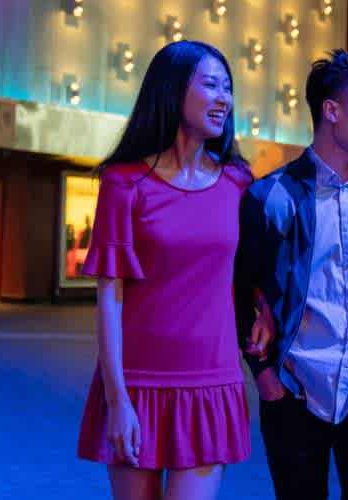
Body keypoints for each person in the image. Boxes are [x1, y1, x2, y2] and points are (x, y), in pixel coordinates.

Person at [233, 48, 348, 500]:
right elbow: (241, 291)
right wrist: (265, 375)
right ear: (331, 110)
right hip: (293, 389)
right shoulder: (271, 196)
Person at [76, 41, 253, 500]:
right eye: (211, 85)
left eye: (228, 88)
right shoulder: (124, 182)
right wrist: (117, 401)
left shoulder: (237, 182)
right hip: (137, 383)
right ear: (173, 91)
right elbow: (110, 298)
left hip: (211, 380)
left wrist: (266, 311)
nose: (224, 99)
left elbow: (250, 271)